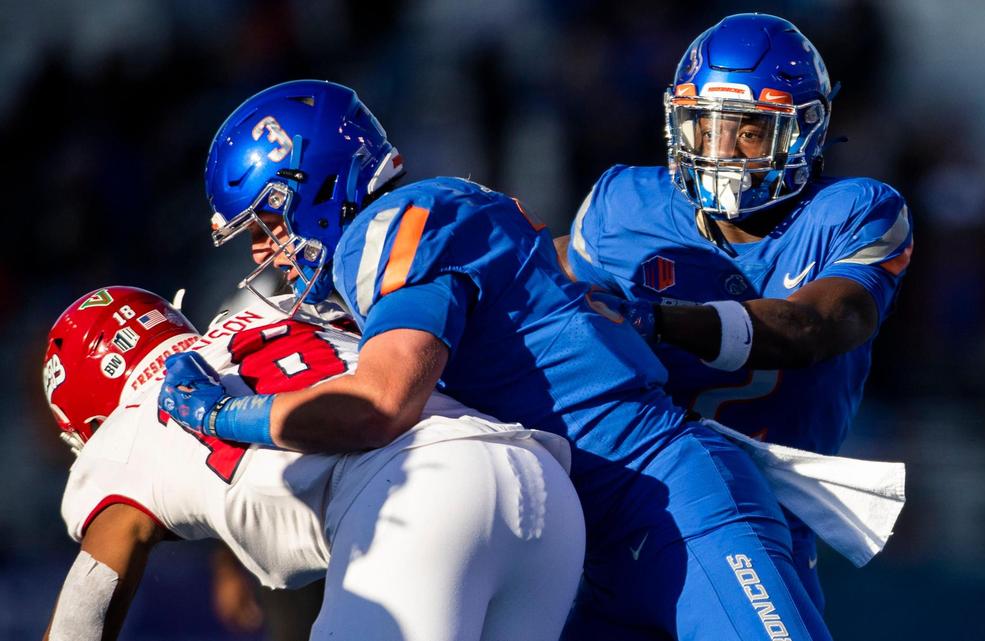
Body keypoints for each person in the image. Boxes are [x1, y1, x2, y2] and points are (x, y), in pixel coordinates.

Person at [162, 78, 843, 640]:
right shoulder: (398, 243)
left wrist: (226, 414)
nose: (263, 251)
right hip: (600, 544)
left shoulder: (390, 230)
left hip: (669, 503)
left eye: (268, 224)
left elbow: (377, 405)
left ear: (308, 187)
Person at [554, 13, 914, 608]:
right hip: (612, 507)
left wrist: (656, 319)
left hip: (758, 521)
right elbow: (532, 293)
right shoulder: (622, 206)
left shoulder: (855, 212)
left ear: (805, 130)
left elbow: (812, 328)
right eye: (703, 127)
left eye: (748, 131)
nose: (720, 151)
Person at [40, 286, 584, 641]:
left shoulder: (125, 428)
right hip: (538, 480)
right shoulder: (270, 311)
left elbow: (85, 609)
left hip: (421, 499)